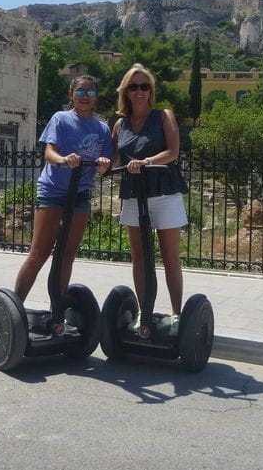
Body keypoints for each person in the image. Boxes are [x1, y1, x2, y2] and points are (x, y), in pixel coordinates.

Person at [13, 75, 111, 334]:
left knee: (67, 254)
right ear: (72, 94)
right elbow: (49, 152)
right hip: (53, 192)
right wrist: (63, 160)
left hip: (79, 195)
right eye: (81, 91)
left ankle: (57, 312)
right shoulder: (60, 118)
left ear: (96, 96)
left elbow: (107, 163)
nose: (85, 96)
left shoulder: (101, 127)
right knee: (39, 253)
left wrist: (103, 164)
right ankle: (13, 308)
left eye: (91, 92)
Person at [112, 63, 189, 336]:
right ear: (126, 91)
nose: (139, 91)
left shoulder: (164, 116)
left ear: (151, 90)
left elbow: (173, 151)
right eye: (134, 86)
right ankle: (144, 313)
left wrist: (146, 161)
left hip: (164, 192)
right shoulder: (120, 124)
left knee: (170, 257)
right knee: (140, 257)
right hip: (134, 194)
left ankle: (177, 314)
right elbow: (112, 159)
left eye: (144, 86)